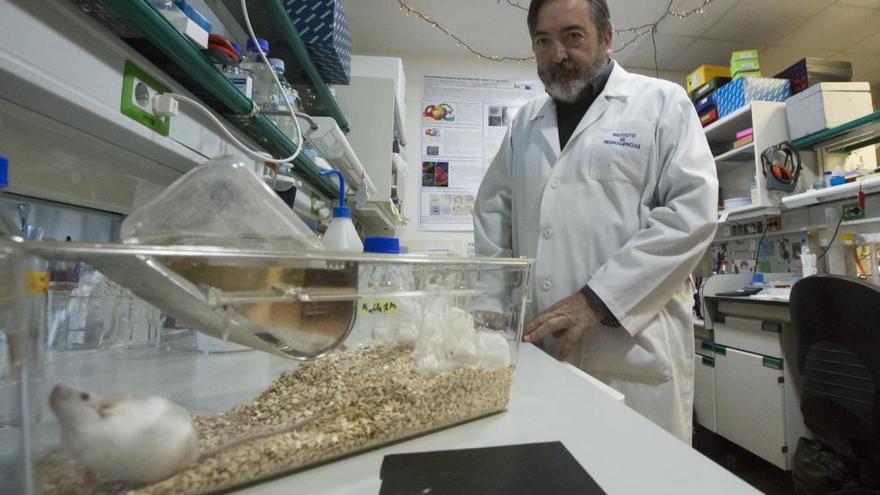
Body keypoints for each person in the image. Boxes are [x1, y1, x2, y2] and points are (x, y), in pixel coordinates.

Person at [473, 0, 718, 444]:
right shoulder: (525, 124)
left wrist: (597, 300)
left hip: (629, 354)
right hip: (540, 350)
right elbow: (493, 215)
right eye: (543, 41)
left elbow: (691, 215)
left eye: (573, 36)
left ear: (606, 37)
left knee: (635, 475)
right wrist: (495, 310)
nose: (558, 54)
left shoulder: (661, 104)